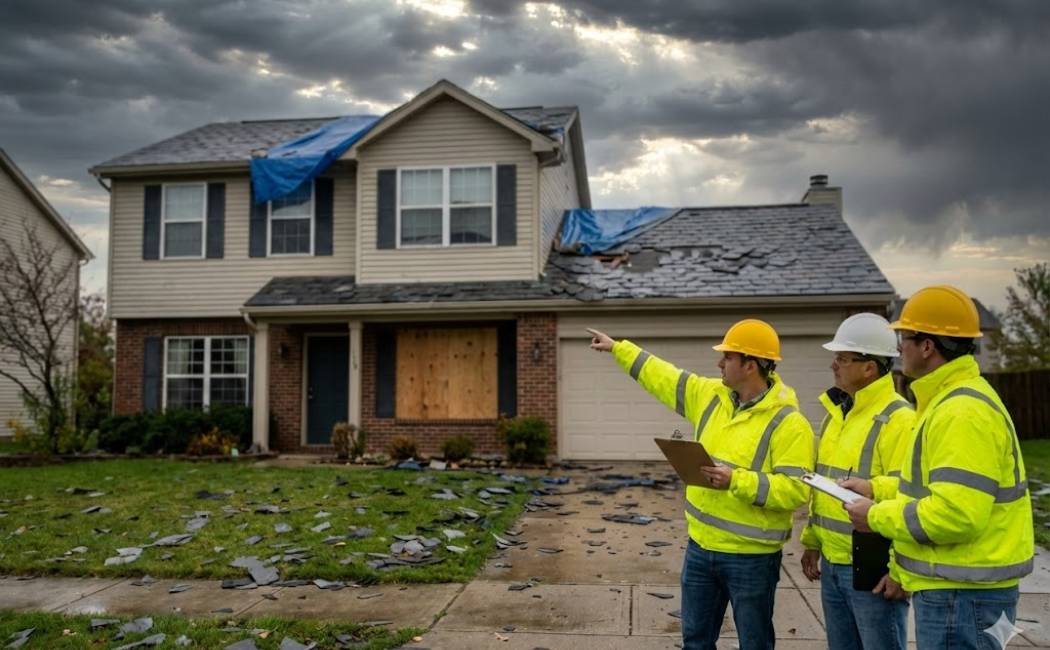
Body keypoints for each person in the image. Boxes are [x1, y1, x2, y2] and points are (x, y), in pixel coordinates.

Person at [588, 319, 813, 650]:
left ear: (750, 365)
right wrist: (619, 349)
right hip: (700, 548)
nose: (719, 363)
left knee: (754, 644)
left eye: (727, 357)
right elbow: (663, 376)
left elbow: (795, 490)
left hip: (751, 558)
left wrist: (736, 480)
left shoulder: (790, 424)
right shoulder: (710, 395)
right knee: (695, 642)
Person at [842, 285, 1033, 650]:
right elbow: (932, 489)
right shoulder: (949, 401)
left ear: (927, 346)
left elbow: (955, 514)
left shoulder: (960, 412)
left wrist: (875, 516)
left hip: (962, 597)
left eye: (905, 339)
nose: (899, 349)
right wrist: (875, 489)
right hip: (962, 593)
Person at [799, 313, 915, 649]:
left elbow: (911, 497)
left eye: (843, 358)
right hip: (834, 564)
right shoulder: (837, 416)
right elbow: (823, 486)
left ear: (869, 368)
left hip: (874, 567)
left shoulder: (900, 420)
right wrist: (813, 540)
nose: (833, 365)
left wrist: (901, 569)